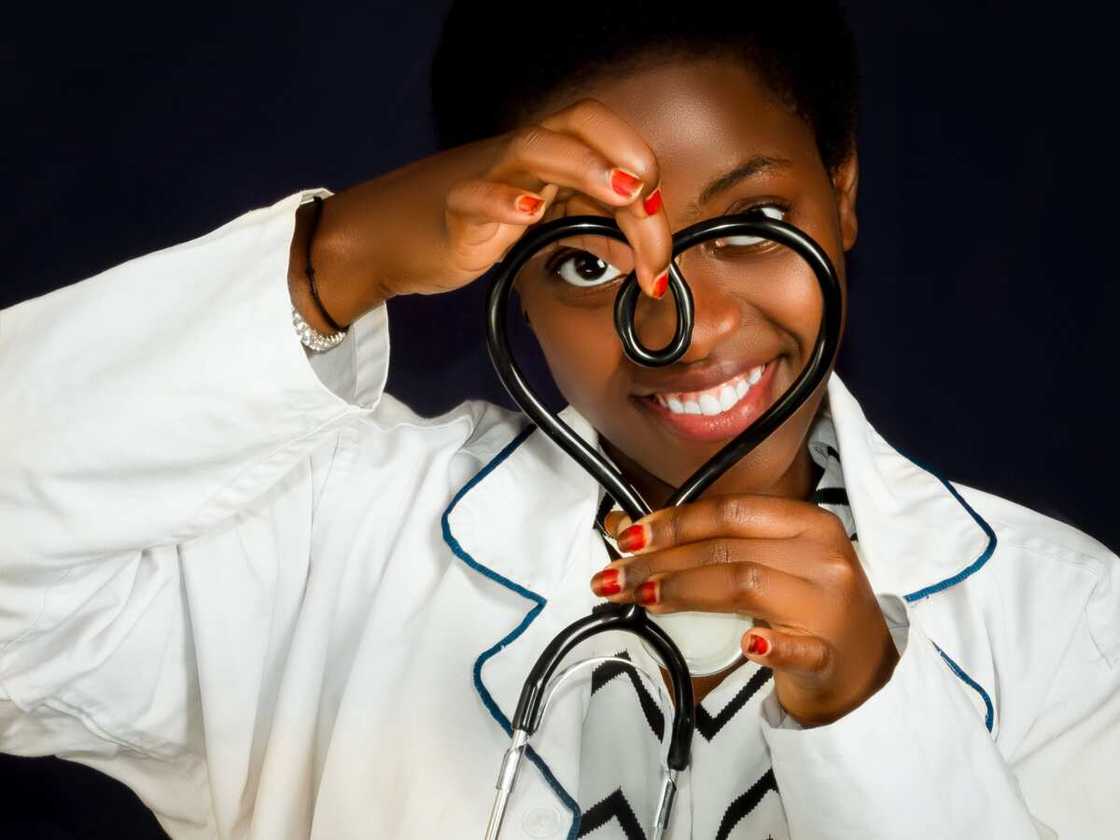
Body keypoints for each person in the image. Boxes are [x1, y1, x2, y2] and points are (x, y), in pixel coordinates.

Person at [2, 1, 1117, 838]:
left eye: (753, 222)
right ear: (499, 273)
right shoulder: (319, 542)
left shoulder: (1069, 625)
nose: (681, 324)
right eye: (585, 258)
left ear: (845, 193)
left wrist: (878, 718)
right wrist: (339, 255)